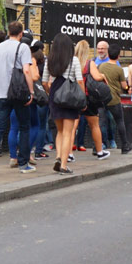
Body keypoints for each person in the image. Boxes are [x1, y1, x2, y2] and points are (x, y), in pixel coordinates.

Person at [0, 21, 37, 176]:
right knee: (24, 127)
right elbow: (26, 71)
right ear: (21, 33)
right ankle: (23, 164)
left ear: (8, 32)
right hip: (17, 94)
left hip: (0, 93)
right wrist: (31, 91)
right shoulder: (23, 47)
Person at [48, 35, 81, 174]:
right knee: (68, 132)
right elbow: (79, 81)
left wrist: (52, 94)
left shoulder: (50, 61)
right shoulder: (74, 60)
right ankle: (63, 164)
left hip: (55, 93)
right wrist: (82, 98)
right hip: (70, 95)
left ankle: (58, 157)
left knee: (60, 131)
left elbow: (45, 81)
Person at [95, 43, 131, 154]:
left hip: (101, 98)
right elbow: (124, 85)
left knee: (100, 123)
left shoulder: (101, 66)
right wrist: (127, 87)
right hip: (114, 99)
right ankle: (124, 146)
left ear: (108, 54)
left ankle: (97, 146)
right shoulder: (119, 69)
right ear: (118, 56)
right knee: (119, 121)